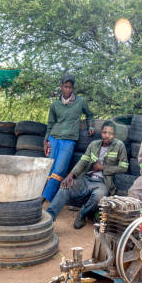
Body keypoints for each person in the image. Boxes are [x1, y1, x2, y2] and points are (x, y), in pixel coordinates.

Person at [46, 121, 129, 229]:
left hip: (103, 182)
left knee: (99, 196)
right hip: (86, 179)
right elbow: (83, 161)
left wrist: (103, 168)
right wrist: (70, 175)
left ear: (114, 134)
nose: (107, 135)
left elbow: (124, 167)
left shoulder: (119, 145)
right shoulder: (93, 145)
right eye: (104, 132)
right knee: (65, 187)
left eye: (110, 133)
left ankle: (82, 215)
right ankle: (48, 218)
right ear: (101, 133)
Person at [42, 73, 94, 203]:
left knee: (59, 169)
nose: (68, 90)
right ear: (61, 87)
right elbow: (50, 124)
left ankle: (44, 198)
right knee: (50, 168)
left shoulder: (80, 101)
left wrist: (91, 126)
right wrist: (46, 140)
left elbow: (90, 114)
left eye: (70, 87)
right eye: (65, 87)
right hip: (54, 138)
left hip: (69, 140)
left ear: (73, 88)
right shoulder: (55, 105)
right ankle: (46, 195)